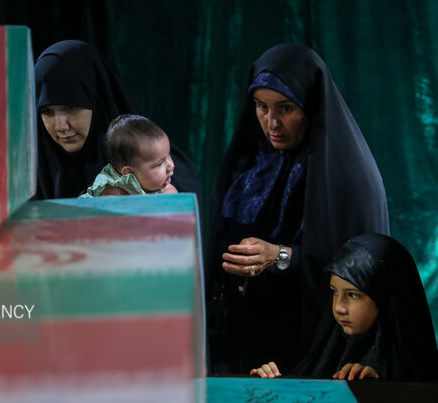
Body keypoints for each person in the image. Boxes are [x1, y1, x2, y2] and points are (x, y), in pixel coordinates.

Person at [206, 44, 390, 375]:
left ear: (311, 106)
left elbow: (357, 270)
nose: (271, 122)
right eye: (261, 107)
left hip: (314, 342)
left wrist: (280, 256)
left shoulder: (346, 174)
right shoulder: (248, 164)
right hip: (247, 342)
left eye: (286, 108)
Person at [250, 233, 438, 381]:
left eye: (353, 295)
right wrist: (272, 389)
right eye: (334, 292)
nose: (339, 308)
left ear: (384, 297)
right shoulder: (325, 356)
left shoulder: (415, 374)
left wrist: (380, 389)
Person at [33, 40, 200, 200]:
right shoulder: (31, 176)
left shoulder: (162, 173)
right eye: (47, 112)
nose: (61, 126)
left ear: (97, 100)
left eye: (71, 107)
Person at [80, 114, 177, 197]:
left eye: (168, 155)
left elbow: (170, 193)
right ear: (130, 173)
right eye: (159, 164)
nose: (171, 165)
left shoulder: (154, 183)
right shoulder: (113, 194)